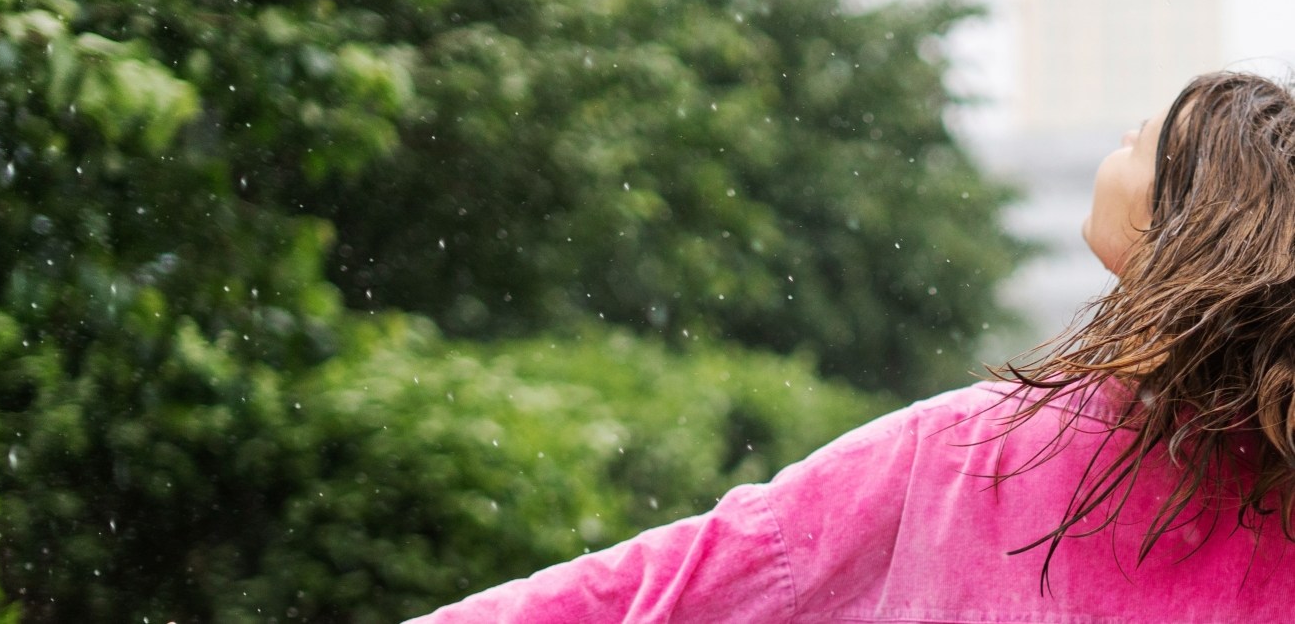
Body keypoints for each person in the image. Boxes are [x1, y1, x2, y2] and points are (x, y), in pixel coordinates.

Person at [406, 71, 1295, 622]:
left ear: (1177, 225)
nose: (1129, 133)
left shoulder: (967, 456)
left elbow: (683, 581)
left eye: (1144, 140)